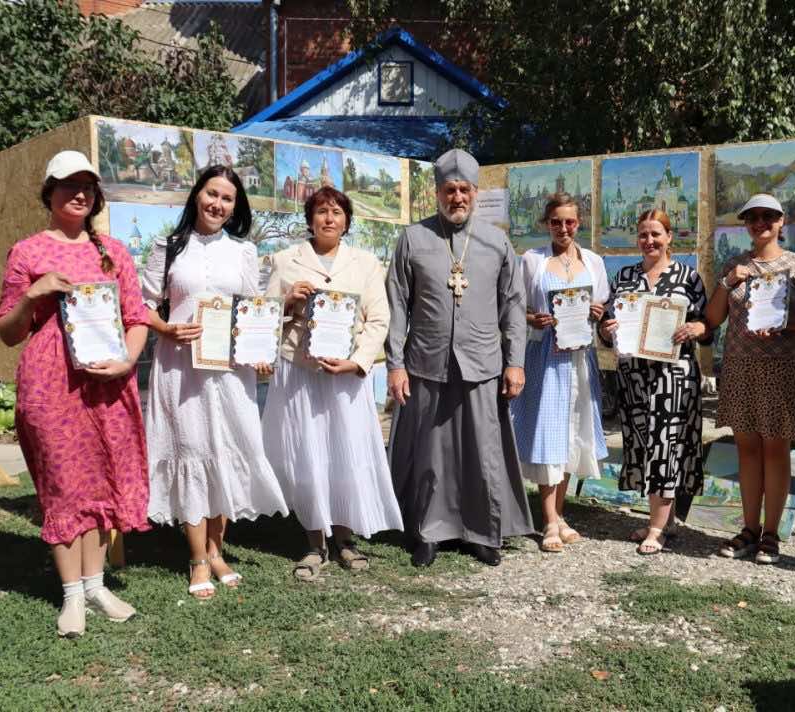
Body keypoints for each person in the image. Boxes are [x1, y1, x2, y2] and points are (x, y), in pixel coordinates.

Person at [0, 150, 150, 638]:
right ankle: (72, 595)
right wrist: (32, 295)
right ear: (49, 192)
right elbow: (7, 332)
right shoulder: (27, 252)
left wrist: (127, 361)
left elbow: (136, 318)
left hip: (106, 382)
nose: (79, 194)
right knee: (63, 486)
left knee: (100, 480)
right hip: (51, 385)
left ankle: (96, 585)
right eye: (68, 185)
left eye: (88, 186)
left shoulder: (114, 252)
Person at [141, 165, 288, 600]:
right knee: (191, 450)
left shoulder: (244, 251)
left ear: (235, 206)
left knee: (225, 450)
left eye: (227, 198)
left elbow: (252, 310)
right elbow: (141, 304)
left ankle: (216, 550)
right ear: (197, 195)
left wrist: (261, 353)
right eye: (211, 194)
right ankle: (197, 558)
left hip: (229, 370)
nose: (217, 204)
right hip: (180, 369)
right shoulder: (168, 247)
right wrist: (166, 329)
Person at [386, 148, 533, 568]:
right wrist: (395, 364)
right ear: (437, 193)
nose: (457, 198)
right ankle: (428, 532)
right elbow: (397, 305)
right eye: (449, 190)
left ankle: (482, 533)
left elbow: (513, 306)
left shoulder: (496, 241)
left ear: (475, 192)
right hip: (427, 360)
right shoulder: (413, 238)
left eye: (464, 190)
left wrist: (515, 361)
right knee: (431, 454)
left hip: (482, 361)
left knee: (482, 451)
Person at [260, 186, 402, 578]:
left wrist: (357, 361)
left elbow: (379, 319)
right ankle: (313, 542)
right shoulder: (286, 260)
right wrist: (288, 301)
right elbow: (265, 316)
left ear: (346, 221)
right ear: (310, 219)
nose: (329, 218)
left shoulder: (365, 263)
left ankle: (344, 539)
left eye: (337, 212)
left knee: (346, 454)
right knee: (307, 455)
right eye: (322, 211)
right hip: (300, 372)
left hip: (345, 375)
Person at [706, 193, 795, 565]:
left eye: (768, 216)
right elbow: (713, 318)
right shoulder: (735, 264)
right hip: (741, 367)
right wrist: (727, 281)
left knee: (775, 448)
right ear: (745, 224)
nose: (760, 223)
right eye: (752, 217)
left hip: (781, 368)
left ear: (781, 221)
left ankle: (771, 533)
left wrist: (786, 322)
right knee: (747, 449)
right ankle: (749, 528)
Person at [598, 210, 712, 555]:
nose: (649, 241)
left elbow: (707, 327)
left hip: (673, 376)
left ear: (669, 237)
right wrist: (606, 330)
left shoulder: (688, 277)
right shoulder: (624, 277)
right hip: (634, 376)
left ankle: (657, 528)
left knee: (666, 444)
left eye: (656, 234)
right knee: (644, 444)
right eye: (643, 235)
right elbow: (606, 328)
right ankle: (667, 520)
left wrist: (696, 328)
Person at [511, 193, 609, 553]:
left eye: (569, 221)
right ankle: (550, 519)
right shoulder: (533, 260)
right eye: (556, 222)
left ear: (578, 223)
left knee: (572, 432)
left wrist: (598, 312)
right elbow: (514, 306)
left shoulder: (593, 262)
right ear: (546, 224)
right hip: (545, 357)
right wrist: (531, 319)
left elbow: (602, 305)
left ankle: (560, 514)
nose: (563, 228)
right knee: (548, 432)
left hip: (580, 358)